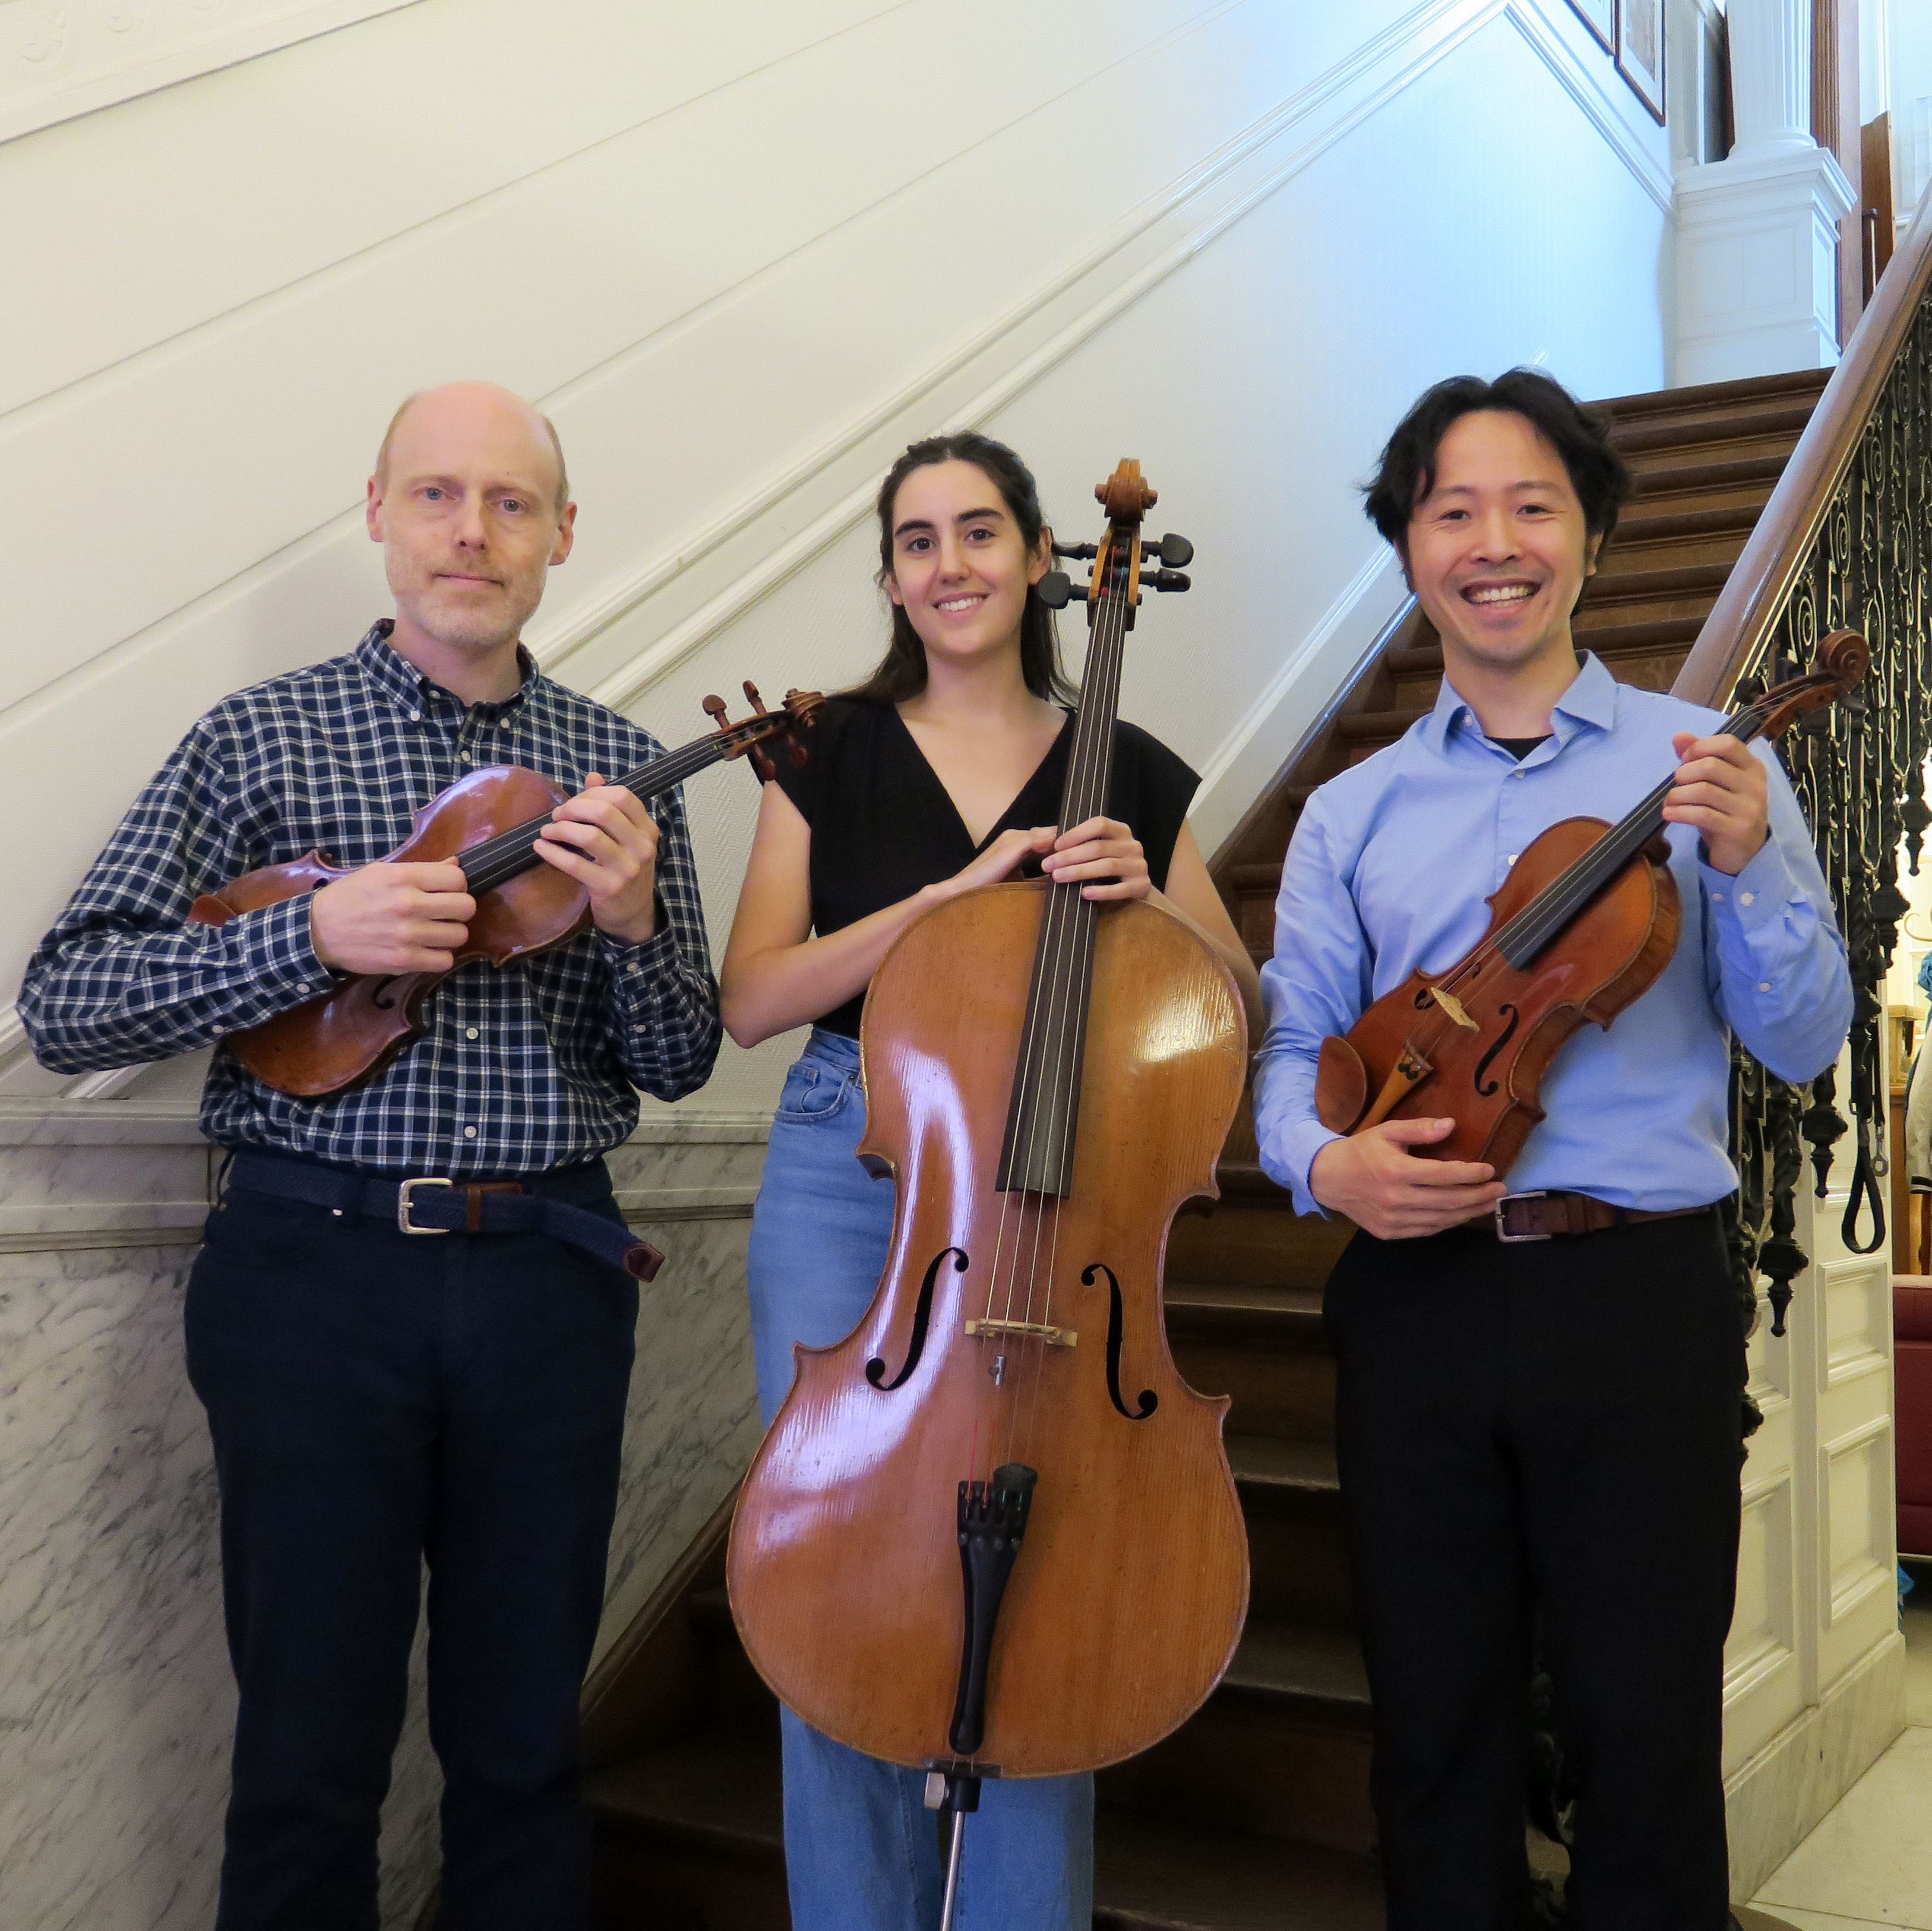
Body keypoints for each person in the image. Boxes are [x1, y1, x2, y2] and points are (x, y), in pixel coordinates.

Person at [20, 382, 720, 1930]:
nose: (472, 530)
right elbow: (67, 1000)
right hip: (310, 1281)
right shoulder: (256, 736)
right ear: (380, 512)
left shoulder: (613, 767)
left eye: (512, 501)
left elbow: (675, 1061)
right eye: (437, 494)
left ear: (560, 536)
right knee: (305, 1753)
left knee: (527, 1746)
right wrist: (303, 934)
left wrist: (629, 924)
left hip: (549, 1279)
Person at [1251, 369, 1852, 1930]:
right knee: (1432, 1731)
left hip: (1632, 1294)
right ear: (1408, 550)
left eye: (1533, 505)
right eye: (1453, 510)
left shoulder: (1705, 762)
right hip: (1414, 1298)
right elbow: (1287, 1055)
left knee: (1641, 1731)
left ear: (1588, 537)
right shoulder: (1345, 813)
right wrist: (1323, 1170)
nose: (1493, 542)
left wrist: (1744, 868)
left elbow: (1796, 1041)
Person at [720, 429, 1260, 1930]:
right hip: (850, 1161)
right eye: (915, 540)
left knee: (1053, 1589)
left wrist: (1160, 901)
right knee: (826, 1575)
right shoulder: (822, 745)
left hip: (1060, 1190)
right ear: (890, 575)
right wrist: (943, 903)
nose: (948, 565)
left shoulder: (1133, 775)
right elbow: (755, 998)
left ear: (1041, 559)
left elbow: (1237, 1000)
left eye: (977, 533)